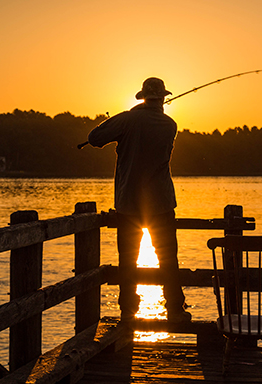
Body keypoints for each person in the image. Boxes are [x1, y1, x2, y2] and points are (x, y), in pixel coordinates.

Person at [87, 77, 190, 323]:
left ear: (142, 97)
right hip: (162, 202)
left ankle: (129, 311)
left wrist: (125, 116)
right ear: (163, 98)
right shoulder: (170, 125)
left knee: (128, 260)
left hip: (129, 203)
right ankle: (175, 310)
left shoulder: (127, 119)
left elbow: (94, 138)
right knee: (168, 259)